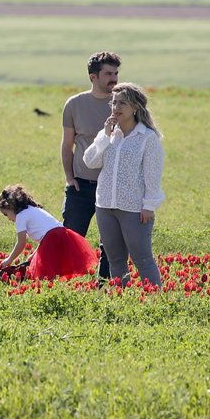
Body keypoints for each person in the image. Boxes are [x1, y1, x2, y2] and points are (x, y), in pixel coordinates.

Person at [82, 83, 165, 287]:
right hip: (105, 205)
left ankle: (156, 300)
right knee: (115, 260)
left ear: (135, 108)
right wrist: (105, 136)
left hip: (134, 208)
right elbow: (90, 161)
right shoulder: (109, 134)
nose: (116, 107)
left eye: (122, 103)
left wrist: (149, 206)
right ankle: (121, 299)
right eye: (114, 103)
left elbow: (152, 175)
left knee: (142, 259)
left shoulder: (147, 138)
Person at [61, 51, 120, 279]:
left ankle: (104, 287)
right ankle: (67, 285)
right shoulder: (75, 104)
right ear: (92, 77)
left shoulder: (123, 103)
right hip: (81, 186)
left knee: (111, 243)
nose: (113, 78)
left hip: (111, 185)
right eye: (108, 73)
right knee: (72, 239)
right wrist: (69, 177)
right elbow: (67, 145)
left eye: (116, 73)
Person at [0, 184, 97, 281]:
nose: (8, 218)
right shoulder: (33, 209)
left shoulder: (21, 216)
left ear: (11, 207)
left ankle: (47, 290)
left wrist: (9, 260)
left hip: (52, 238)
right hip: (63, 234)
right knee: (57, 270)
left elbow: (21, 243)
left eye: (6, 214)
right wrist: (34, 254)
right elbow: (46, 233)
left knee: (44, 274)